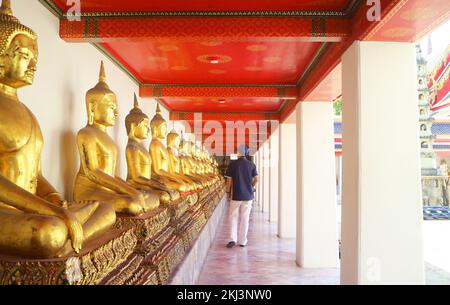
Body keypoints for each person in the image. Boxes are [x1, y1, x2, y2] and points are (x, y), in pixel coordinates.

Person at [225, 144, 259, 248]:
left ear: (238, 153)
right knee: (245, 218)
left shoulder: (232, 165)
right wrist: (250, 186)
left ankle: (232, 239)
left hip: (236, 195)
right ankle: (243, 241)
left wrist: (228, 192)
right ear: (247, 153)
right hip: (248, 196)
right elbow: (257, 179)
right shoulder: (251, 165)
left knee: (233, 217)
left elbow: (229, 180)